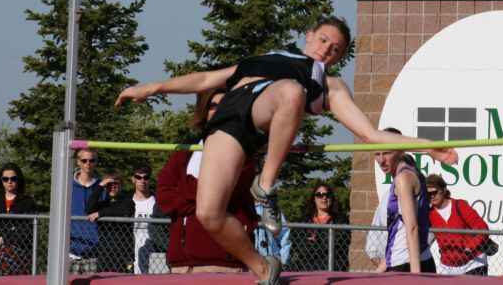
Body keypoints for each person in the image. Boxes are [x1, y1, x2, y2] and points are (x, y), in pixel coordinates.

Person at [116, 16, 458, 284]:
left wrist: (428, 146)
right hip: (228, 121)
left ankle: (265, 185)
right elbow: (206, 80)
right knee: (209, 213)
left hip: (267, 109)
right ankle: (264, 268)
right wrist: (151, 87)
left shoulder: (328, 84)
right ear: (309, 35)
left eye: (336, 49)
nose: (327, 50)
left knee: (293, 92)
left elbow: (369, 133)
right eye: (324, 40)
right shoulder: (262, 59)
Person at [156, 88, 257, 273]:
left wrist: (184, 185)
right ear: (203, 111)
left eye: (224, 106)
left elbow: (223, 194)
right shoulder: (187, 151)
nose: (218, 111)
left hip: (223, 264)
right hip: (181, 266)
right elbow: (163, 195)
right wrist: (205, 197)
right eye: (212, 106)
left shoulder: (243, 152)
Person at [374, 143, 436, 273]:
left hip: (408, 265)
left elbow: (412, 228)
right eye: (377, 154)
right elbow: (401, 234)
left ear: (400, 152)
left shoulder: (403, 178)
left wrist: (415, 275)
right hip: (415, 260)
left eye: (386, 153)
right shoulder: (412, 175)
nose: (381, 160)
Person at [426, 173, 488, 275]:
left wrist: (470, 247)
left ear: (444, 189)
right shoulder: (429, 213)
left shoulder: (460, 205)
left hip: (472, 263)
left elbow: (483, 229)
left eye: (435, 192)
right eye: (428, 194)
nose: (432, 196)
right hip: (447, 267)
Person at [0, 163, 38, 276]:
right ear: (1, 181)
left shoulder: (27, 202)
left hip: (20, 252)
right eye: (5, 179)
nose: (9, 182)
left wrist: (3, 238)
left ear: (19, 180)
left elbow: (26, 230)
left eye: (13, 178)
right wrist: (11, 230)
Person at [290, 181, 350, 272]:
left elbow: (339, 245)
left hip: (333, 270)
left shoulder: (341, 221)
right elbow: (301, 248)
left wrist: (313, 241)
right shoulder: (303, 221)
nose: (324, 197)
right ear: (314, 198)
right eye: (319, 194)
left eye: (327, 194)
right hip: (306, 270)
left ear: (332, 198)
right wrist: (323, 242)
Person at [86, 168, 133, 272]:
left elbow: (124, 211)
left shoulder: (127, 200)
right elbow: (89, 209)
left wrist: (101, 213)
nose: (112, 187)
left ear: (121, 185)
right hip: (104, 254)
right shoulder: (104, 203)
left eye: (116, 184)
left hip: (122, 255)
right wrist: (100, 186)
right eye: (109, 184)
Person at [70, 148, 101, 273]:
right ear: (78, 162)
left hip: (93, 251)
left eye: (92, 160)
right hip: (69, 251)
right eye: (84, 160)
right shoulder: (67, 185)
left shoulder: (101, 187)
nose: (88, 163)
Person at [254, 202, 291, 266]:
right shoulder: (244, 209)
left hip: (272, 263)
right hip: (251, 264)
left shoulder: (271, 208)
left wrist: (283, 259)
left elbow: (284, 233)